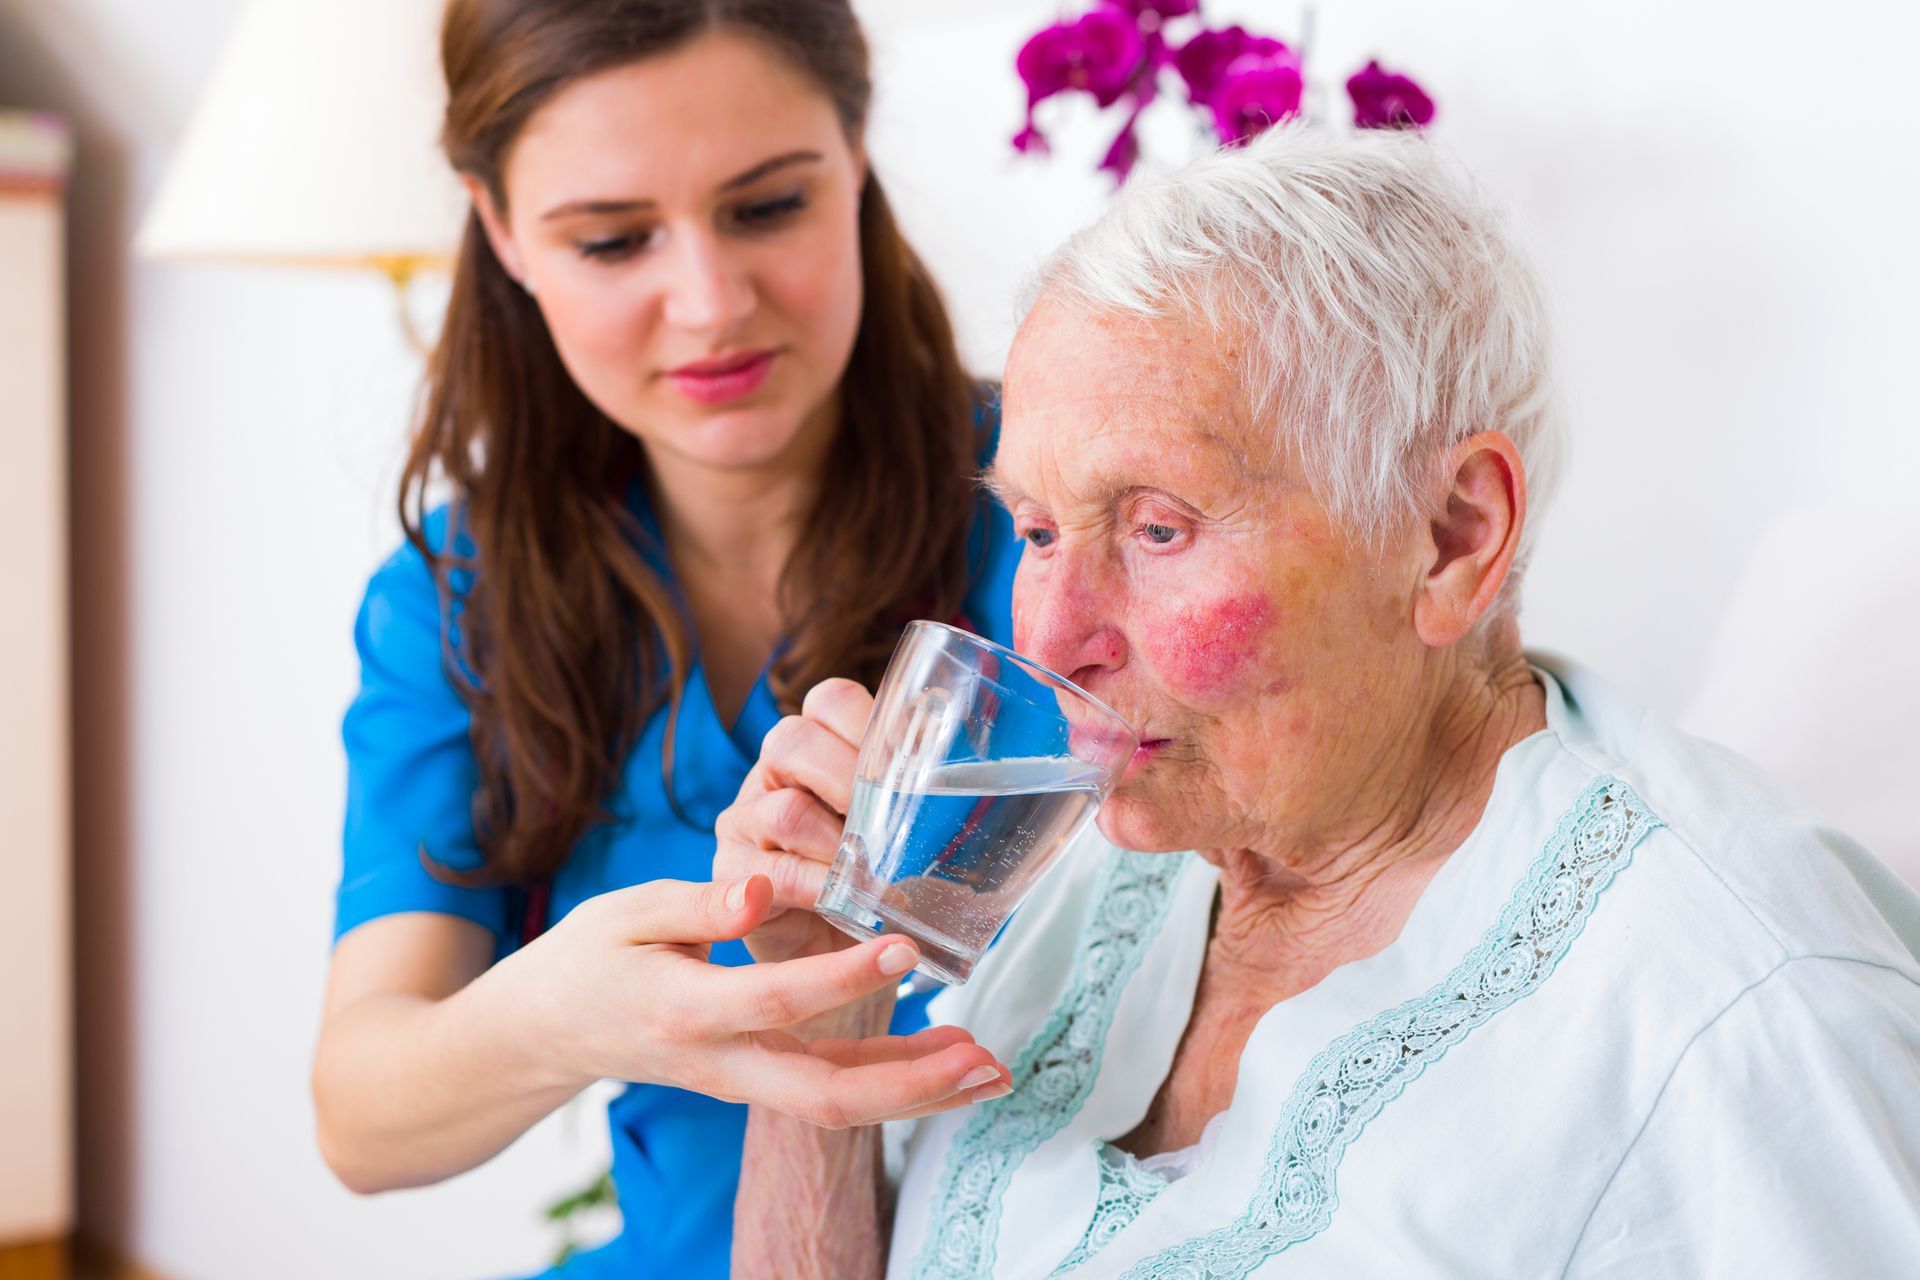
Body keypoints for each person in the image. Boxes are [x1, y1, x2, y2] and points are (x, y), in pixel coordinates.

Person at [717, 124, 1920, 1278]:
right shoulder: (1098, 847)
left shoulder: (1737, 1020)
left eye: (1156, 526)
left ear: (1452, 537)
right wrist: (824, 1022)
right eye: (1034, 527)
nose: (1049, 636)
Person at [310, 2, 1018, 1276]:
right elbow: (363, 1113)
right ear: (502, 231)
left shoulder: (1061, 518)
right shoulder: (459, 598)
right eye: (614, 238)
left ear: (854, 157)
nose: (709, 303)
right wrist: (564, 1018)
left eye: (764, 209)